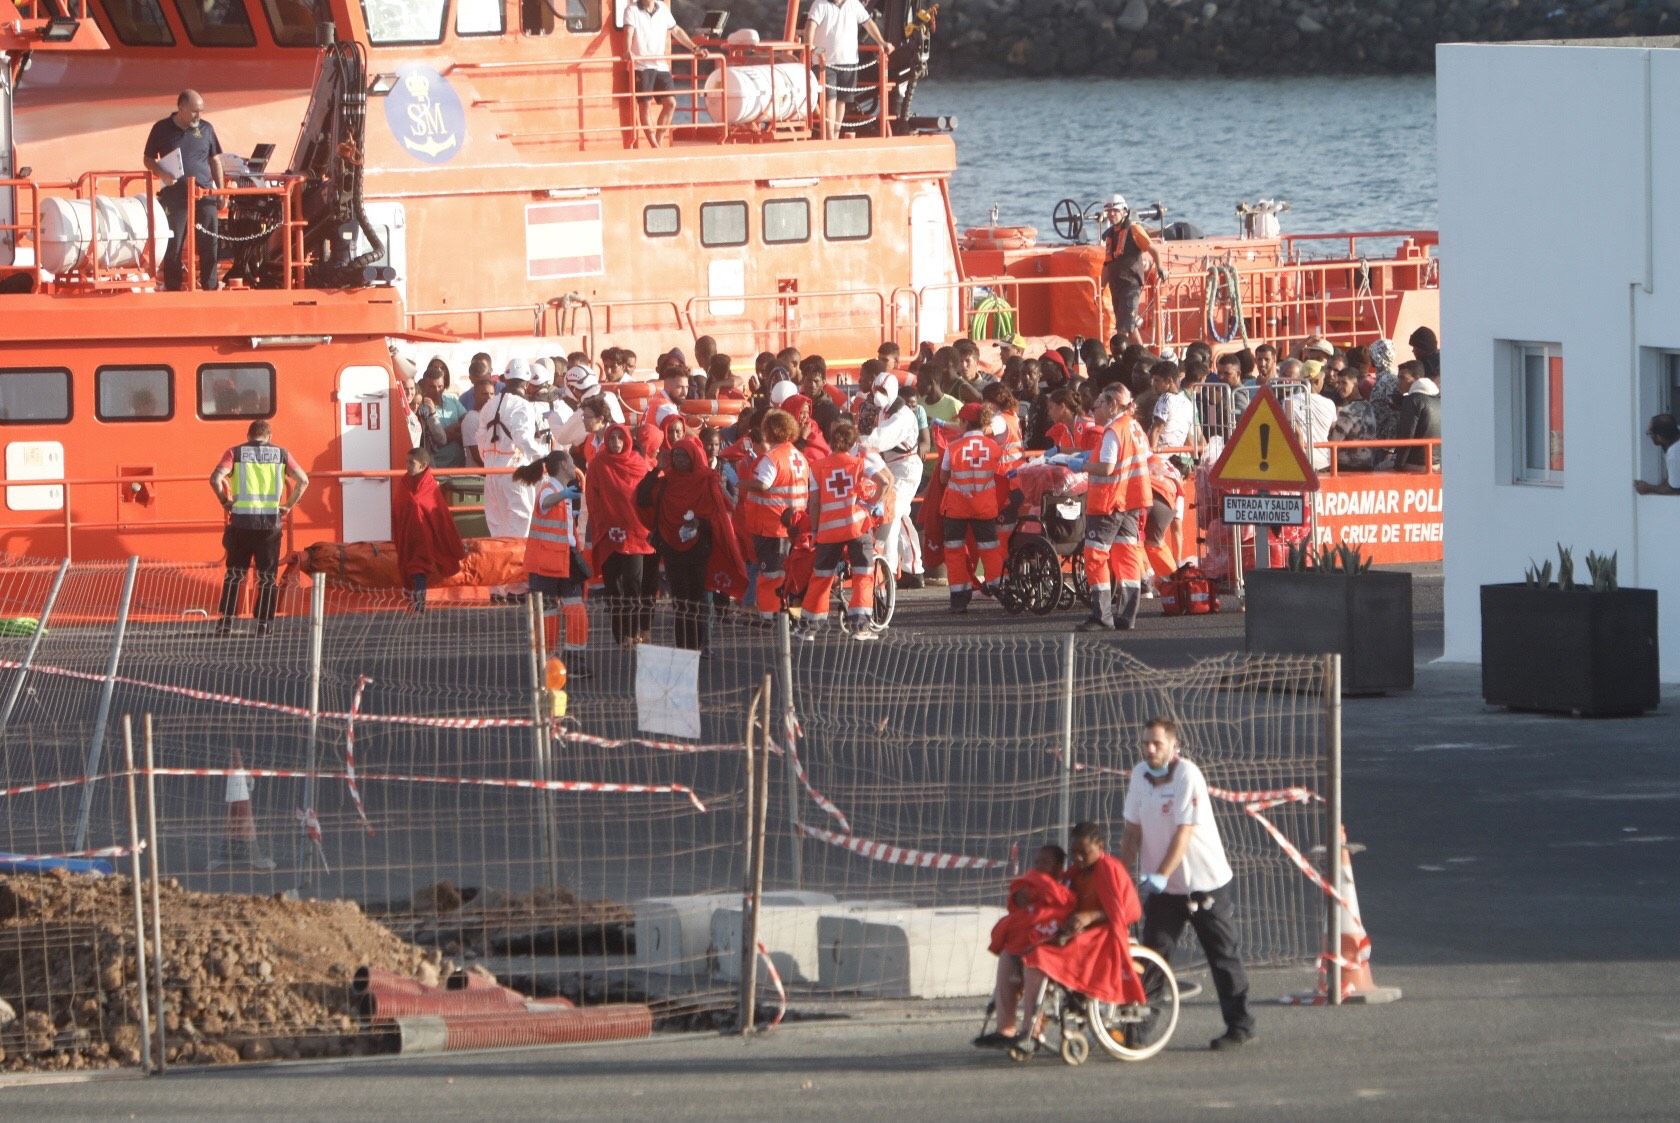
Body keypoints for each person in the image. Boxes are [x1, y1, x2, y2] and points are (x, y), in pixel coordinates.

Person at [1119, 717, 1256, 1051]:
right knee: (1153, 957)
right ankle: (1137, 1032)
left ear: (1173, 746)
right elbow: (1132, 832)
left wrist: (1161, 873)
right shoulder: (1139, 775)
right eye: (1145, 743)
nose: (1150, 750)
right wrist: (1120, 877)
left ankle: (1240, 1025)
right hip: (1165, 890)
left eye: (1157, 744)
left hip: (1203, 882)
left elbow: (1184, 833)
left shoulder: (1187, 775)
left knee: (1222, 954)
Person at [1017, 822, 1146, 1049]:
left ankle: (1031, 1027)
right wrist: (1029, 895)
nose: (1077, 858)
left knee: (1040, 957)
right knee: (1026, 948)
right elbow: (1056, 893)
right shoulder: (1077, 872)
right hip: (1085, 934)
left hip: (1105, 934)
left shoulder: (1109, 868)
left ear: (1100, 846)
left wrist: (1089, 917)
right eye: (1074, 853)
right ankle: (1029, 1024)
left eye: (1083, 853)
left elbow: (1124, 911)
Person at [640, 436, 746, 651]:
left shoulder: (707, 480)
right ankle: (683, 647)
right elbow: (642, 498)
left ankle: (698, 645)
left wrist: (700, 521)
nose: (679, 460)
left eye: (683, 455)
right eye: (676, 455)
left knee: (697, 597)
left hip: (700, 547)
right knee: (680, 600)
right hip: (671, 547)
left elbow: (718, 514)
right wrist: (655, 471)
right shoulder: (666, 481)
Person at [798, 418, 894, 641]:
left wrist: (814, 530)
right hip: (856, 527)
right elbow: (886, 482)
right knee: (863, 575)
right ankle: (859, 626)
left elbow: (814, 503)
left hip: (828, 531)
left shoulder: (817, 467)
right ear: (852, 443)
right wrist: (870, 504)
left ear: (830, 442)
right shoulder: (858, 463)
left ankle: (808, 627)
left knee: (821, 577)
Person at [209, 419, 307, 635]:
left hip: (241, 523)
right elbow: (303, 480)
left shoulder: (235, 452)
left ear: (248, 436)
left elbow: (215, 478)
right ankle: (264, 624)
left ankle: (225, 622)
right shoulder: (281, 454)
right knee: (267, 576)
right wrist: (288, 506)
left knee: (235, 574)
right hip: (270, 524)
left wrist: (224, 501)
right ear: (269, 436)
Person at [975, 845, 1074, 1049]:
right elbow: (1017, 901)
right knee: (1006, 957)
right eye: (1037, 862)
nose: (1038, 867)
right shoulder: (1029, 883)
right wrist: (1021, 896)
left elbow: (1066, 904)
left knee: (1033, 965)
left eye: (1045, 863)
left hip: (1053, 944)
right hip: (1026, 940)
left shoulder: (1065, 887)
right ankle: (1005, 1028)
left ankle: (1032, 1027)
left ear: (1058, 868)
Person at [476, 359, 550, 601]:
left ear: (505, 379)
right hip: (515, 473)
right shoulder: (522, 406)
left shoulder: (488, 405)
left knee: (496, 530)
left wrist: (489, 462)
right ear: (527, 383)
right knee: (520, 530)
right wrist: (546, 456)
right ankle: (517, 587)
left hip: (492, 475)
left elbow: (480, 440)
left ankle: (497, 586)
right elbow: (524, 440)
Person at [1078, 386, 1150, 632]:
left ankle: (1102, 616)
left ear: (1111, 405)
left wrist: (1083, 465)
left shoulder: (1113, 430)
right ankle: (1127, 616)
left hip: (1109, 502)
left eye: (1098, 403)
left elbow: (1107, 467)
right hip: (1131, 500)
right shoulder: (1134, 427)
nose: (1094, 409)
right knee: (1127, 555)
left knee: (1096, 556)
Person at [517, 449, 592, 677]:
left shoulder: (561, 490)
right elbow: (545, 502)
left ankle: (572, 661)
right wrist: (564, 495)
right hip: (546, 562)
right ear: (563, 466)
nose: (574, 466)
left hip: (563, 558)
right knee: (549, 613)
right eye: (571, 463)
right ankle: (548, 662)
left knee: (574, 608)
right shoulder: (550, 488)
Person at [144, 89, 225, 291]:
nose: (199, 115)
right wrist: (162, 172)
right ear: (181, 108)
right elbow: (148, 159)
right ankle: (173, 287)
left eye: (201, 111)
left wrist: (221, 191)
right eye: (194, 111)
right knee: (174, 243)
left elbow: (215, 160)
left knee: (209, 242)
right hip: (175, 197)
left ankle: (210, 285)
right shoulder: (161, 128)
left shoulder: (206, 129)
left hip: (204, 195)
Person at [585, 424, 656, 645]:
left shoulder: (638, 463)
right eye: (612, 438)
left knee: (634, 584)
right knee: (613, 586)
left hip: (636, 534)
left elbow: (647, 497)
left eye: (619, 438)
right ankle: (621, 634)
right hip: (608, 532)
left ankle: (634, 631)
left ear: (627, 440)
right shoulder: (598, 464)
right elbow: (592, 497)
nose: (616, 443)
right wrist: (602, 523)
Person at [740, 408, 811, 623]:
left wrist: (742, 483)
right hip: (795, 524)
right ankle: (792, 614)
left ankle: (768, 616)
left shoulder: (772, 458)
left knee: (771, 574)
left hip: (771, 526)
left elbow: (763, 483)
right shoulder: (799, 457)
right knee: (792, 573)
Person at [938, 403, 1008, 613]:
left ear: (966, 422)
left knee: (955, 551)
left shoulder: (953, 448)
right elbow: (1001, 473)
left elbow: (943, 478)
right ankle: (998, 589)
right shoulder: (993, 447)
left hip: (957, 507)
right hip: (985, 507)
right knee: (990, 549)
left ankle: (959, 599)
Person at [858, 372, 925, 588]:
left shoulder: (901, 417)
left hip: (906, 468)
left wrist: (852, 441)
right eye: (875, 391)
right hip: (891, 466)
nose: (877, 396)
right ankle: (913, 568)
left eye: (883, 392)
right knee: (901, 514)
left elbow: (879, 440)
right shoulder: (884, 412)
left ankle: (887, 572)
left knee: (891, 515)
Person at [392, 446, 466, 612]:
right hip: (408, 536)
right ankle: (416, 604)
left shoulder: (430, 487)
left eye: (411, 462)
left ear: (423, 465)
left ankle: (419, 605)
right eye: (406, 462)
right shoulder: (404, 484)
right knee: (410, 568)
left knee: (418, 569)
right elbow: (398, 508)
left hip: (424, 538)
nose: (408, 465)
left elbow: (440, 516)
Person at [804, 0, 888, 139]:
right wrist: (812, 48)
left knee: (841, 101)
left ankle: (835, 136)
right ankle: (829, 137)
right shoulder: (820, 4)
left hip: (848, 61)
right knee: (829, 100)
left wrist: (882, 42)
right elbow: (810, 27)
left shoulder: (853, 4)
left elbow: (868, 23)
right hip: (825, 63)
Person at [625, 0, 703, 148]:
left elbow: (677, 31)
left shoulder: (663, 8)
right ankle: (654, 145)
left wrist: (695, 48)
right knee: (645, 105)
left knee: (671, 103)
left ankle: (659, 140)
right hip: (641, 66)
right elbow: (628, 31)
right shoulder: (632, 10)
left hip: (660, 65)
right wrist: (627, 49)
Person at [1099, 195, 1164, 348]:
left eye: (1115, 210)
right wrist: (1100, 288)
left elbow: (1152, 249)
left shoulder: (1134, 230)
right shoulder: (1110, 235)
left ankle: (1122, 356)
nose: (1111, 214)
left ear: (1124, 211)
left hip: (1131, 285)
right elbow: (1108, 264)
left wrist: (1160, 267)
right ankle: (1142, 355)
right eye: (1109, 211)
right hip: (1116, 285)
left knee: (1124, 327)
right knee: (1129, 325)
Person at [1387, 360, 1441, 472]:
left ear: (1416, 378)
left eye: (1402, 378)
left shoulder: (1412, 400)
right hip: (1436, 465)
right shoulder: (1438, 399)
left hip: (1414, 465)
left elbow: (1406, 436)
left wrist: (1398, 466)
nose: (1398, 382)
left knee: (1378, 468)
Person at [1635, 413, 1680, 494]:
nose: (1650, 436)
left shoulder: (1674, 454)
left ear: (1660, 437)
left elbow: (1675, 489)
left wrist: (1649, 488)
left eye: (1650, 433)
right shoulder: (1675, 433)